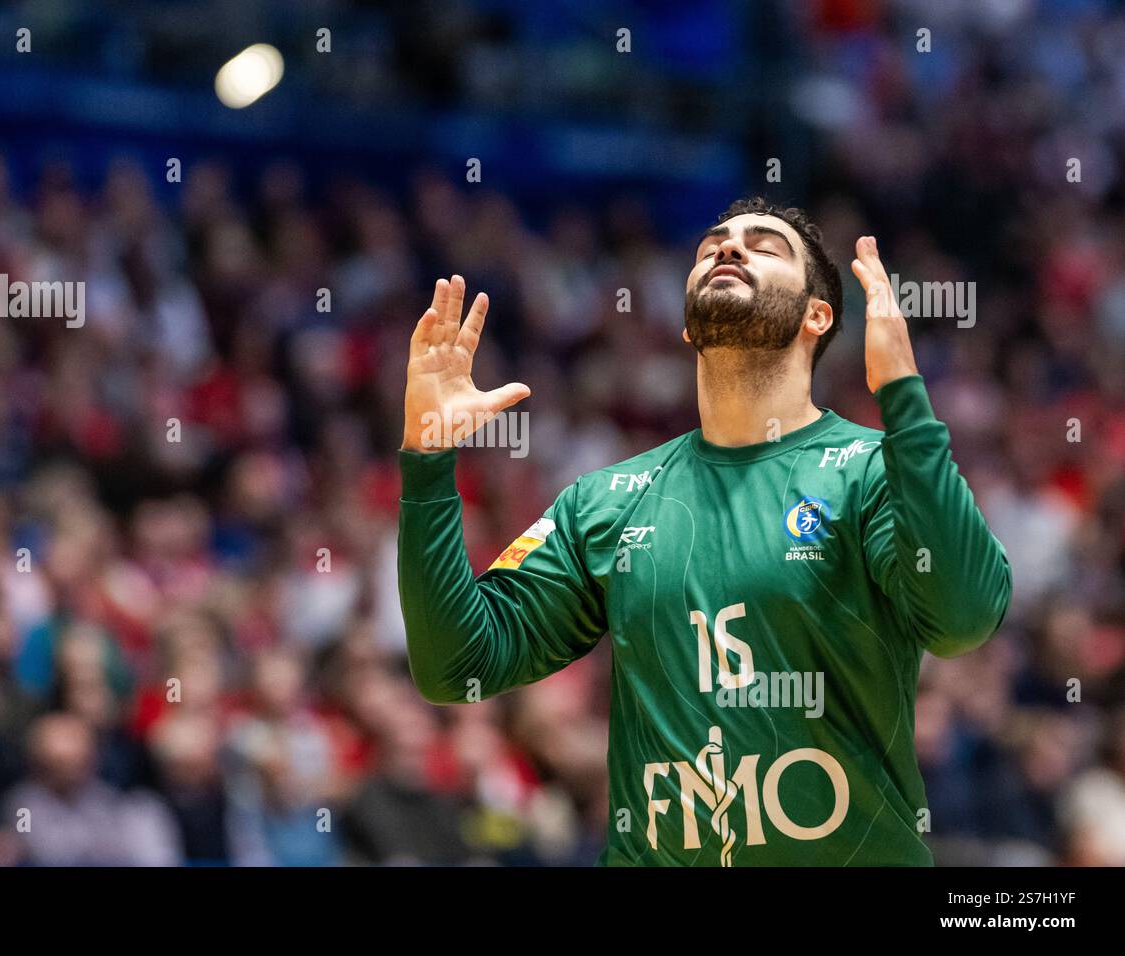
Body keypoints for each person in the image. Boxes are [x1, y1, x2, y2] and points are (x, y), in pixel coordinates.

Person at [395, 196, 1013, 866]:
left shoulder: (869, 473)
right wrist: (427, 463)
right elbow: (459, 667)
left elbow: (964, 618)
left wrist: (904, 397)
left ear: (817, 316)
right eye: (711, 244)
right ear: (688, 327)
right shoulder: (605, 502)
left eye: (765, 246)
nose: (727, 248)